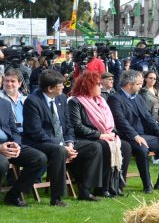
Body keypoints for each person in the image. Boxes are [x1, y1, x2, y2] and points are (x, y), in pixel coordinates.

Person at [22, 69, 103, 206]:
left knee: (94, 147)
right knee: (59, 151)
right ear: (50, 88)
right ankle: (57, 197)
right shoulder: (33, 101)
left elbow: (68, 125)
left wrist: (70, 143)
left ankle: (85, 190)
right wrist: (62, 146)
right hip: (39, 143)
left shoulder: (61, 98)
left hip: (62, 142)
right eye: (60, 85)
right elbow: (36, 132)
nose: (63, 87)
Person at [107, 70, 159, 194]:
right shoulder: (115, 98)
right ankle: (147, 185)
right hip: (126, 138)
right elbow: (121, 121)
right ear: (129, 84)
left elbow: (148, 118)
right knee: (142, 149)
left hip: (142, 136)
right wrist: (135, 136)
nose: (141, 86)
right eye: (139, 84)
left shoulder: (138, 98)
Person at [68, 71, 131, 198]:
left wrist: (112, 134)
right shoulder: (75, 102)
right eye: (97, 84)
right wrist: (99, 135)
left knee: (125, 146)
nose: (101, 87)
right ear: (88, 85)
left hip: (105, 135)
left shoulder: (101, 100)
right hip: (86, 137)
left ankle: (116, 185)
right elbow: (77, 126)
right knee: (105, 146)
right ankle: (102, 187)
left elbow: (109, 122)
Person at [0, 97, 46, 207]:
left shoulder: (5, 103)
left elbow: (13, 129)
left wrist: (16, 144)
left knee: (39, 158)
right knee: (2, 163)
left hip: (8, 145)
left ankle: (13, 195)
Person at [0, 69, 27, 134]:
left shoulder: (26, 99)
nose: (9, 84)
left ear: (19, 83)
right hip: (9, 136)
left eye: (12, 81)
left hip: (28, 134)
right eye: (7, 81)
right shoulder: (1, 99)